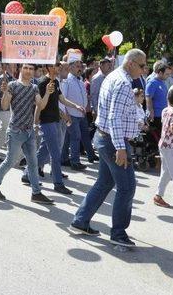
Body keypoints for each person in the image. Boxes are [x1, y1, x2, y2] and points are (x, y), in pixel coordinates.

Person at [70, 49, 147, 247]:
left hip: (106, 139)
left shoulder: (114, 76)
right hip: (114, 142)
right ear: (130, 63)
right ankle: (118, 233)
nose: (144, 70)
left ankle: (80, 220)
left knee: (104, 183)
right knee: (127, 187)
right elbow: (114, 116)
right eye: (142, 65)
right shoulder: (122, 82)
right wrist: (121, 148)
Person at [0, 63, 55, 205]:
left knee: (33, 163)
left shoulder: (34, 87)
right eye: (26, 68)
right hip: (16, 131)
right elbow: (5, 106)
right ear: (21, 69)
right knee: (10, 161)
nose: (28, 71)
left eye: (31, 69)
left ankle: (36, 193)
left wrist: (48, 93)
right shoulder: (12, 85)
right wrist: (5, 92)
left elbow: (41, 105)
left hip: (29, 131)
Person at [29, 62, 84, 195]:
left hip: (55, 120)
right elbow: (39, 105)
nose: (59, 68)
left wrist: (76, 106)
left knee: (44, 151)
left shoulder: (56, 83)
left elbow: (62, 100)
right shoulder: (42, 83)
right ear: (49, 68)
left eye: (59, 66)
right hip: (46, 122)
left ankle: (27, 173)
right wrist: (36, 123)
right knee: (55, 153)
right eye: (56, 66)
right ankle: (58, 183)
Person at [63, 58, 98, 170]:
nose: (80, 68)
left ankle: (64, 159)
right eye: (78, 66)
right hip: (72, 114)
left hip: (81, 114)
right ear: (71, 67)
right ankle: (75, 161)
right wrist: (66, 113)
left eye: (81, 66)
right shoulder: (67, 80)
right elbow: (63, 98)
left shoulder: (80, 79)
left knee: (71, 137)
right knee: (76, 137)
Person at [0, 63, 16, 162]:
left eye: (15, 66)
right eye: (13, 65)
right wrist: (4, 92)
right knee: (4, 131)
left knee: (6, 132)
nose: (15, 67)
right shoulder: (3, 78)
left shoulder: (12, 78)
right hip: (4, 109)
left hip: (10, 108)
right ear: (7, 67)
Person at [145, 62, 169, 136]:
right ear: (160, 73)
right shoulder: (152, 83)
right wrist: (150, 111)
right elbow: (148, 98)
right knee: (156, 139)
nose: (168, 76)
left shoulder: (162, 83)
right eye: (166, 74)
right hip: (156, 116)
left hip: (163, 115)